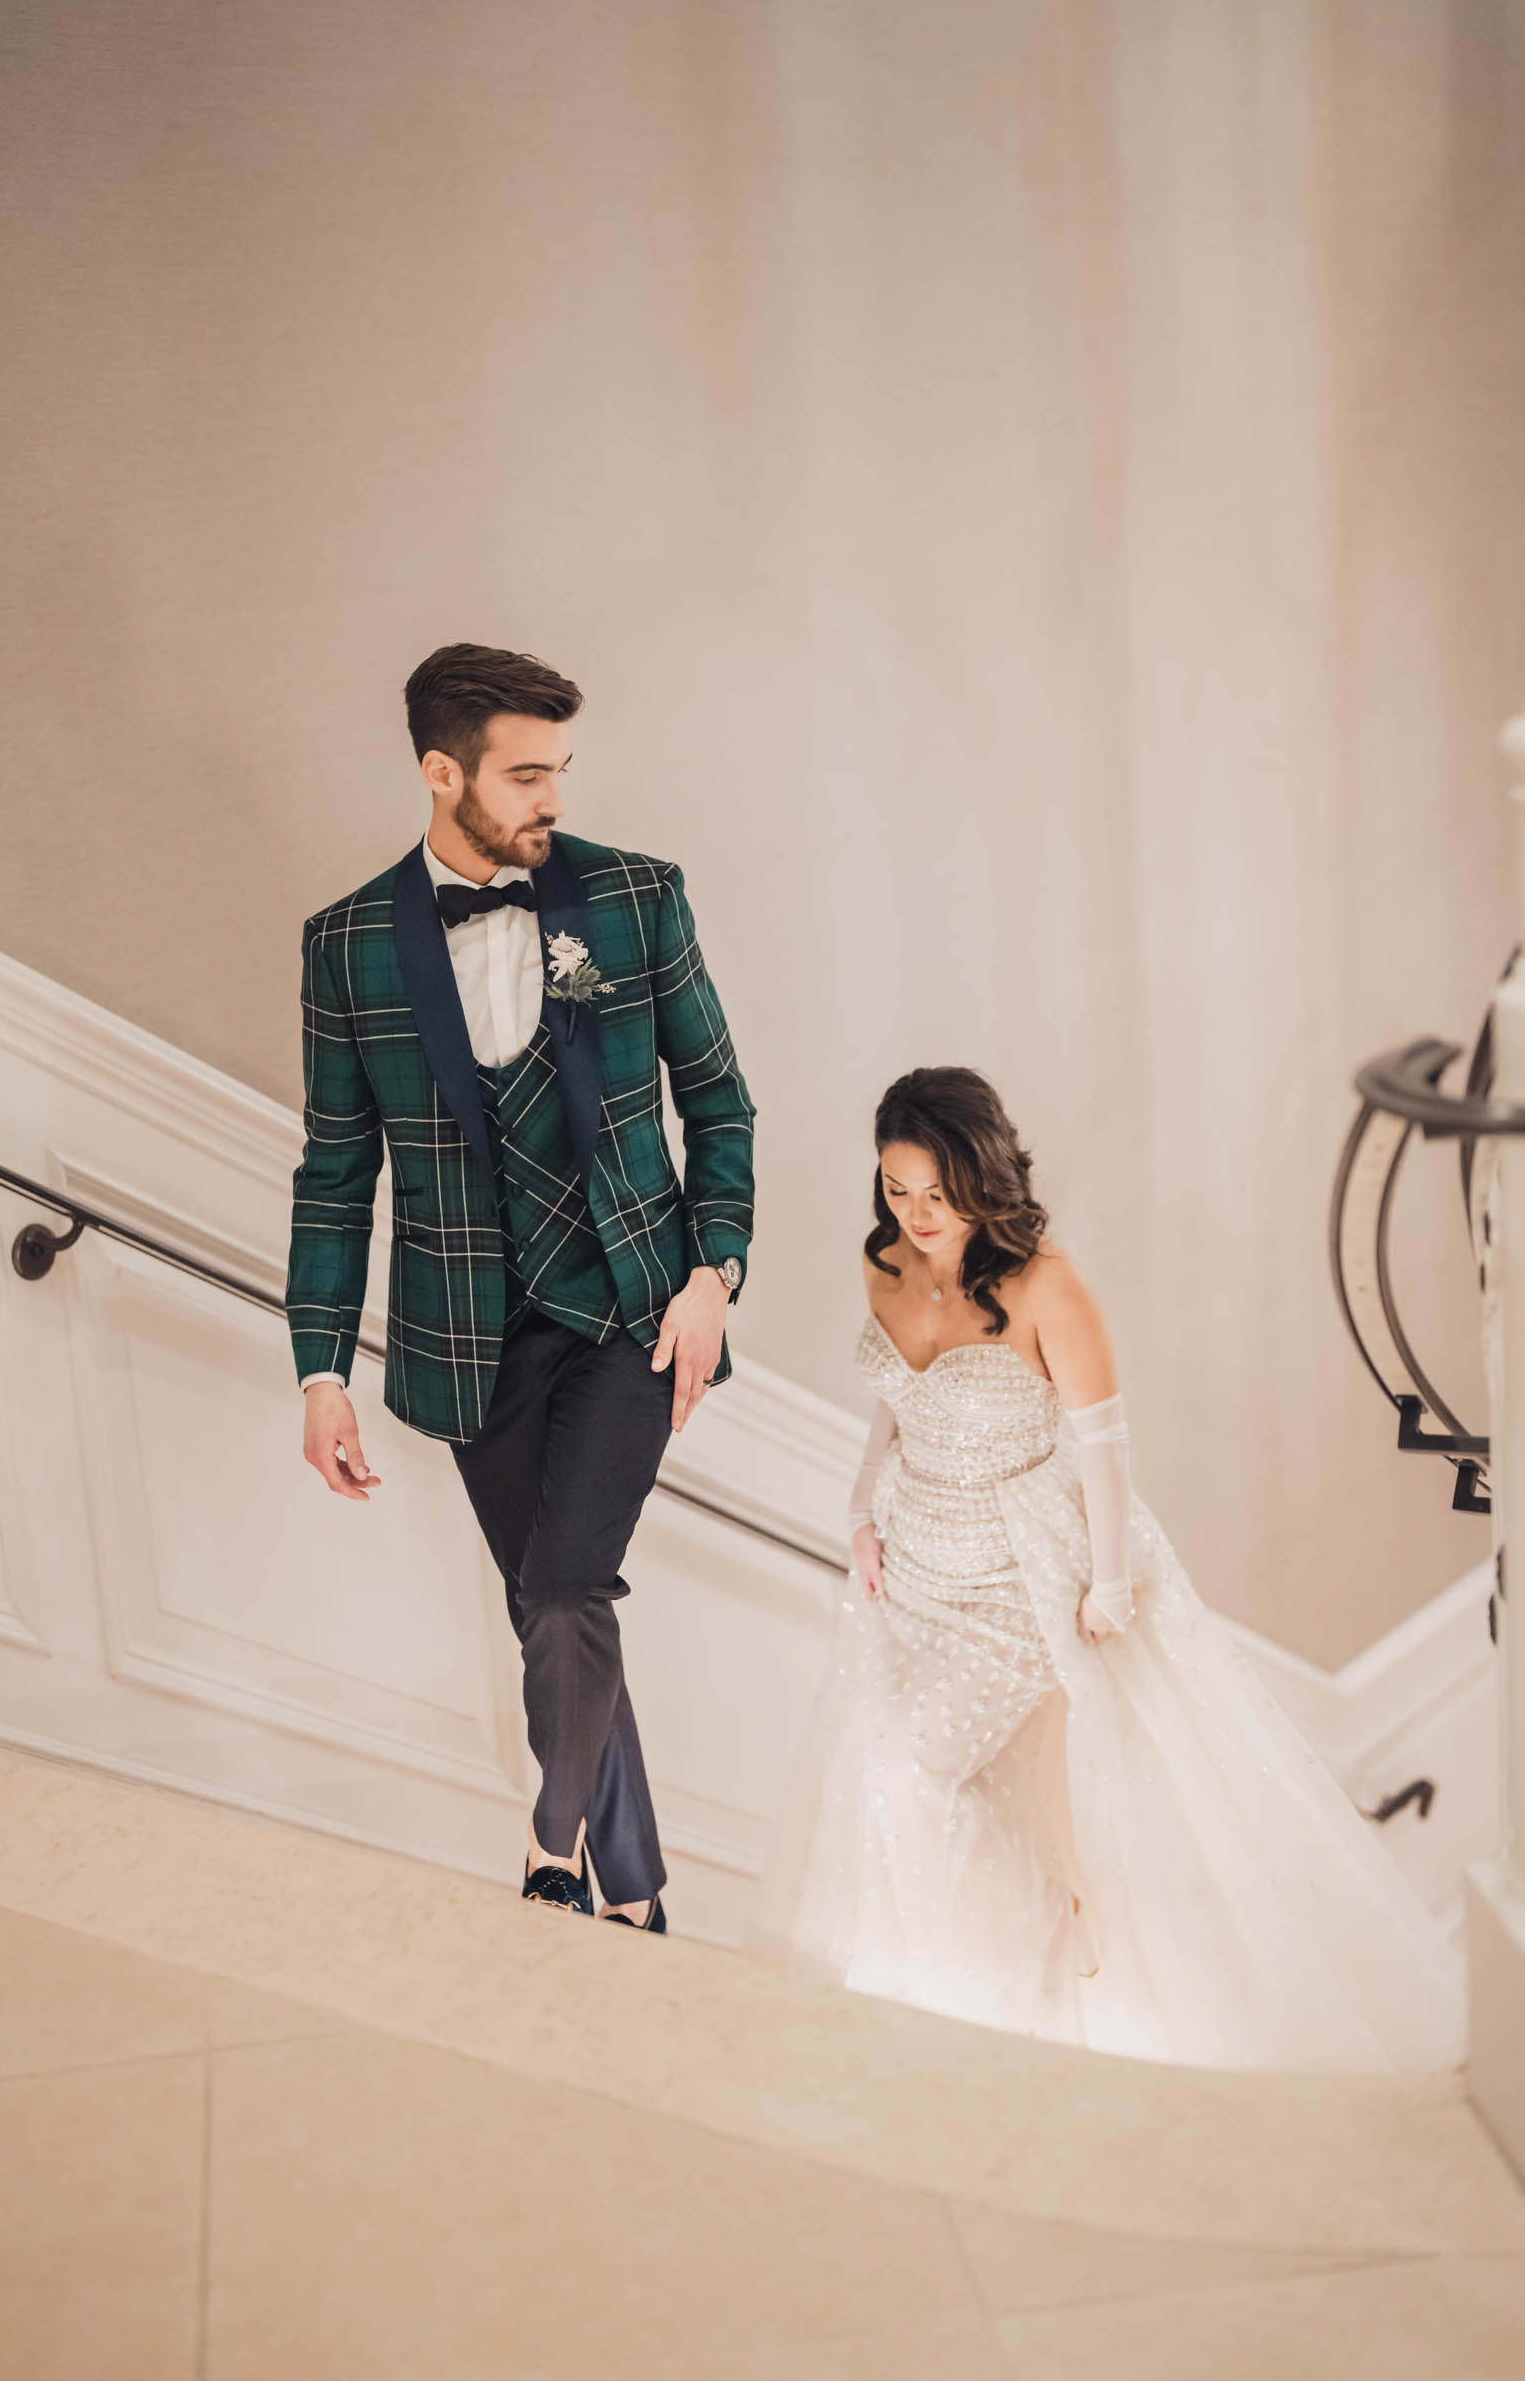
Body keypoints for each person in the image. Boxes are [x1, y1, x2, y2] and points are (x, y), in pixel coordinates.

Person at [755, 1066, 1463, 2071]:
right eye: (896, 1188)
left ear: (981, 1175)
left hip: (1010, 1581)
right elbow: (896, 1395)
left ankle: (1036, 1932)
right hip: (910, 1563)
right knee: (937, 1784)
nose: (915, 1214)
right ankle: (980, 2002)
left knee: (901, 1770)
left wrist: (1109, 1583)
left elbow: (1103, 1450)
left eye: (937, 1191)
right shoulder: (884, 1262)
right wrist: (861, 1506)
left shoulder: (1049, 1286)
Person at [286, 642, 754, 1929]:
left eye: (561, 770)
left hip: (634, 1314)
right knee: (555, 1603)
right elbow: (336, 1173)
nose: (554, 798)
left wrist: (713, 1274)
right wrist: (321, 1369)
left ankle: (554, 1845)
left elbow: (717, 1102)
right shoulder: (348, 947)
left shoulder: (633, 899)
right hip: (469, 1338)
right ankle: (635, 1893)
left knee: (561, 1588)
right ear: (442, 775)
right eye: (525, 775)